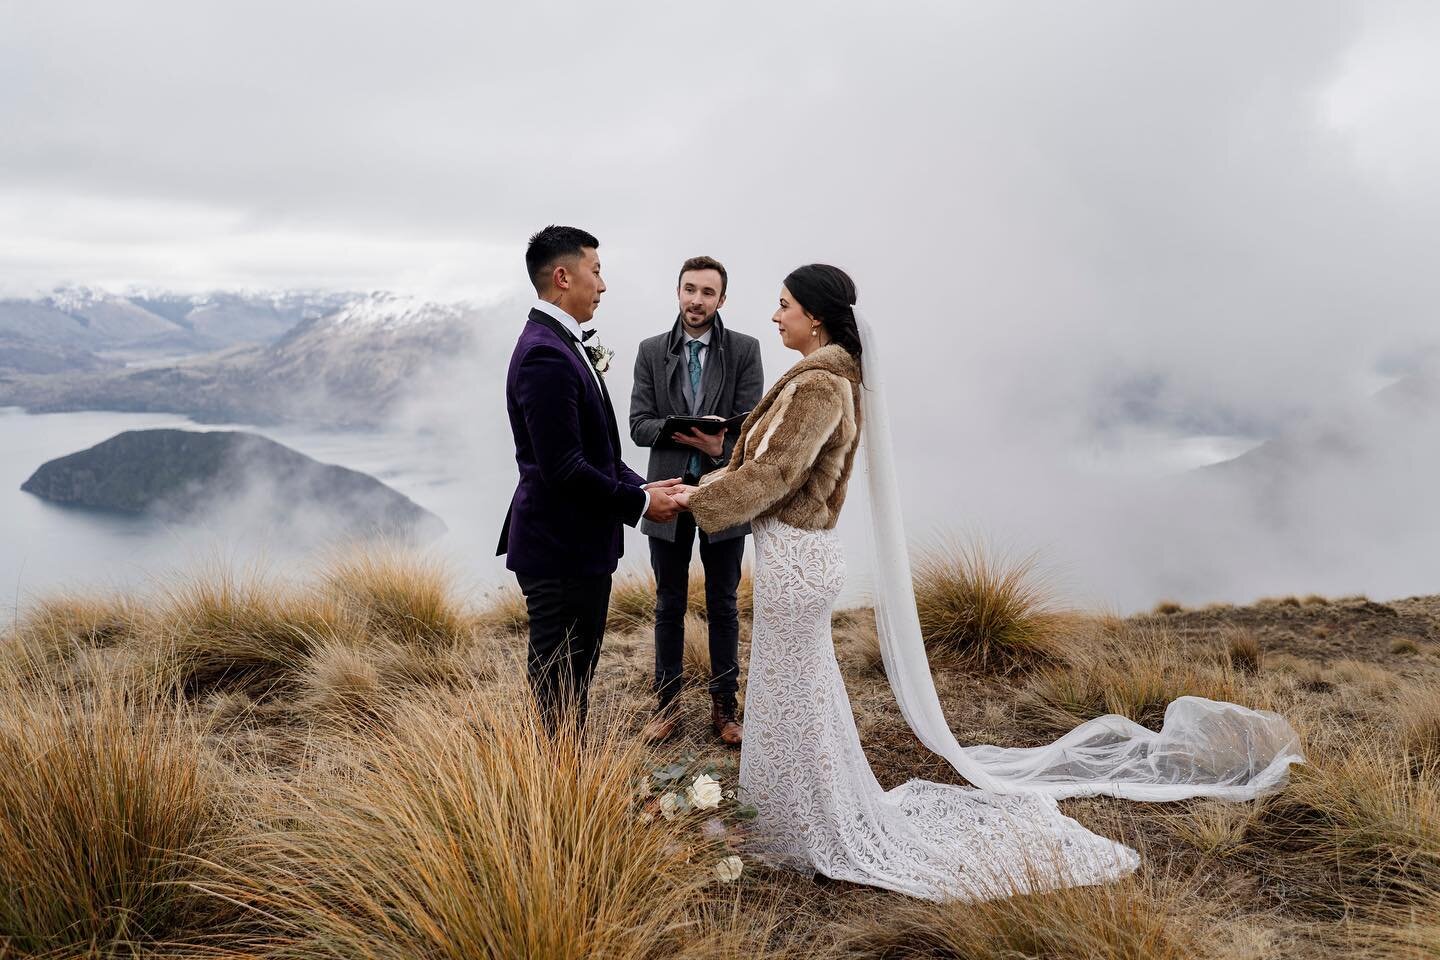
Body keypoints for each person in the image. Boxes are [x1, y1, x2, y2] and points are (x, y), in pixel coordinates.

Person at [672, 263, 1303, 901]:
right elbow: (777, 465)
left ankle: (806, 824)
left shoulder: (819, 385)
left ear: (815, 316)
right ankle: (794, 817)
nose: (775, 316)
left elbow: (778, 471)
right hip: (798, 556)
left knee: (795, 692)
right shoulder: (829, 378)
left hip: (797, 560)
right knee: (795, 689)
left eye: (783, 306)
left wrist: (692, 500)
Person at [497, 225, 683, 732]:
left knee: (575, 678)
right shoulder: (544, 354)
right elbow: (563, 469)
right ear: (563, 276)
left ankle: (564, 779)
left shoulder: (562, 343)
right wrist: (639, 507)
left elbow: (595, 451)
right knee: (560, 687)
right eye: (595, 271)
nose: (602, 285)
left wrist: (641, 486)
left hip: (575, 546)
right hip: (559, 549)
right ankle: (557, 791)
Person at [629, 255, 764, 745]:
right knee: (668, 601)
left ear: (721, 299)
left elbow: (755, 428)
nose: (697, 300)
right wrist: (674, 430)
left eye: (708, 293)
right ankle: (665, 708)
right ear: (678, 292)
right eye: (690, 290)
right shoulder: (649, 351)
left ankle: (726, 710)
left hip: (723, 494)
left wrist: (719, 447)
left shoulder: (745, 350)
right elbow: (638, 425)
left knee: (723, 603)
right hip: (666, 495)